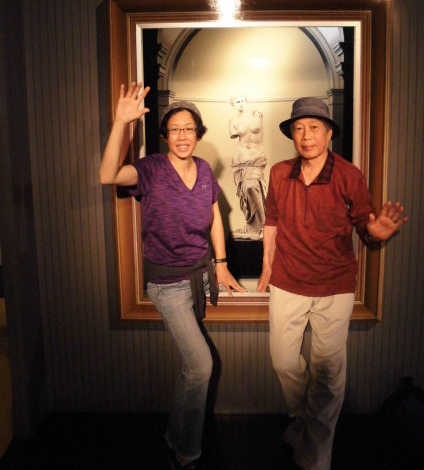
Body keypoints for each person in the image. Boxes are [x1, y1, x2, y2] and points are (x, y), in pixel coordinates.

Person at [257, 97, 407, 470]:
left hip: (334, 284)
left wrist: (375, 232)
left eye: (314, 128)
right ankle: (304, 420)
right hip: (287, 280)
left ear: (328, 134)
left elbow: (365, 223)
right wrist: (267, 266)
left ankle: (314, 460)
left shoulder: (348, 175)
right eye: (298, 129)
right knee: (283, 361)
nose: (305, 136)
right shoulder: (279, 173)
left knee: (327, 373)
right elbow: (272, 220)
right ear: (292, 135)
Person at [100, 82, 244, 470]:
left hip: (200, 275)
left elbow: (215, 216)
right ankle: (184, 452)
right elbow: (108, 175)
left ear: (199, 134)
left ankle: (174, 434)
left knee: (191, 368)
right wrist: (120, 123)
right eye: (175, 129)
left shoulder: (204, 169)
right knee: (201, 366)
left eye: (189, 129)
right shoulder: (150, 169)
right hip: (168, 284)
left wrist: (221, 262)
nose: (182, 136)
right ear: (165, 136)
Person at [228, 95, 267, 239]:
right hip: (241, 160)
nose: (240, 104)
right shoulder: (233, 121)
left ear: (246, 101)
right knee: (247, 192)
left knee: (252, 187)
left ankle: (263, 226)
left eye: (242, 100)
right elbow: (235, 136)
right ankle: (254, 227)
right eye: (237, 102)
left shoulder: (257, 114)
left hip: (256, 158)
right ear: (233, 104)